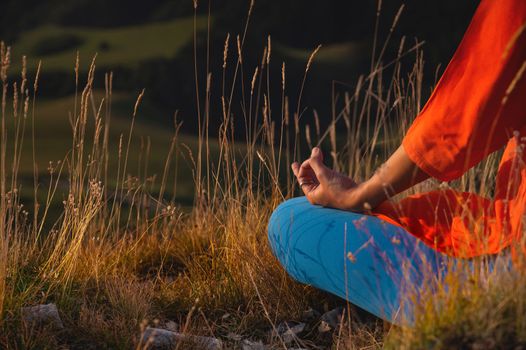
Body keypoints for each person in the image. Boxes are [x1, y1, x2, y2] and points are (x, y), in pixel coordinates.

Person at [268, 0, 526, 324]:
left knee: (291, 222)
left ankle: (471, 311)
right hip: (506, 234)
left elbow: (469, 104)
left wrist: (360, 195)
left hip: (512, 262)